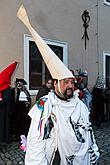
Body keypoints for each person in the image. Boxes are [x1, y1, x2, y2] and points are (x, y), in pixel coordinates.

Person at [17, 5, 99, 165]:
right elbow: (36, 140)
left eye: (72, 82)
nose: (70, 85)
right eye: (66, 82)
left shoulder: (80, 105)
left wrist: (93, 152)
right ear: (55, 84)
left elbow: (88, 131)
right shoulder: (45, 106)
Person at [0, 61, 18, 143]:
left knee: (4, 127)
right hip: (3, 112)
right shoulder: (6, 89)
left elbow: (5, 101)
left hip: (5, 112)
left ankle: (4, 141)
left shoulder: (6, 89)